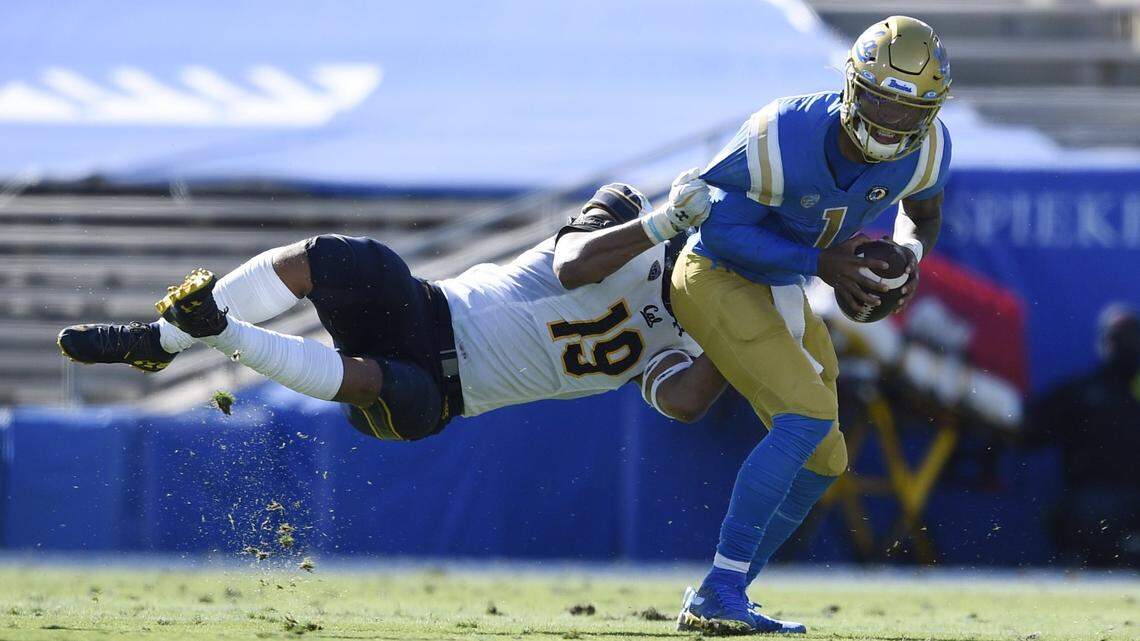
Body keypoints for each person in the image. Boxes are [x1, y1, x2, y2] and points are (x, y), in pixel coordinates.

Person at [59, 172, 729, 439]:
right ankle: (162, 342)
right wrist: (664, 225)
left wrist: (745, 334)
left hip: (442, 395)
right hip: (429, 309)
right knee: (339, 258)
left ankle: (220, 331)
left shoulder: (695, 339)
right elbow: (572, 262)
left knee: (385, 382)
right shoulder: (631, 217)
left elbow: (686, 401)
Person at [671, 16, 953, 634]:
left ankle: (722, 595)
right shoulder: (783, 132)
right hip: (715, 274)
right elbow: (715, 228)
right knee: (806, 416)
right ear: (852, 87)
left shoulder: (930, 148)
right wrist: (819, 261)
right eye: (880, 102)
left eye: (909, 113)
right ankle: (721, 589)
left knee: (827, 458)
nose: (891, 124)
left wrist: (909, 255)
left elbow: (922, 214)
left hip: (781, 286)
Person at [1025, 304, 1140, 567]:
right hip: (1093, 508)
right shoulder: (1079, 393)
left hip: (1112, 506)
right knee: (1088, 514)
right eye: (1124, 337)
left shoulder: (1079, 392)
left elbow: (1029, 431)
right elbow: (1030, 431)